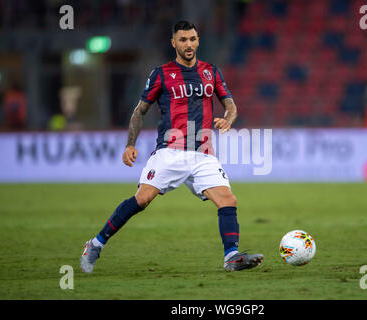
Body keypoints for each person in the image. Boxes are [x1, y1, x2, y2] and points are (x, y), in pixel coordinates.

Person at [80, 21, 263, 273]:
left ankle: (231, 256)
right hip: (170, 151)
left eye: (193, 39)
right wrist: (130, 145)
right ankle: (96, 244)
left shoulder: (211, 71)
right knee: (142, 199)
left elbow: (231, 106)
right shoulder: (161, 74)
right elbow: (140, 111)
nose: (189, 44)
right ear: (173, 43)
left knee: (227, 200)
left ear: (198, 41)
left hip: (203, 153)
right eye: (183, 40)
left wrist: (228, 120)